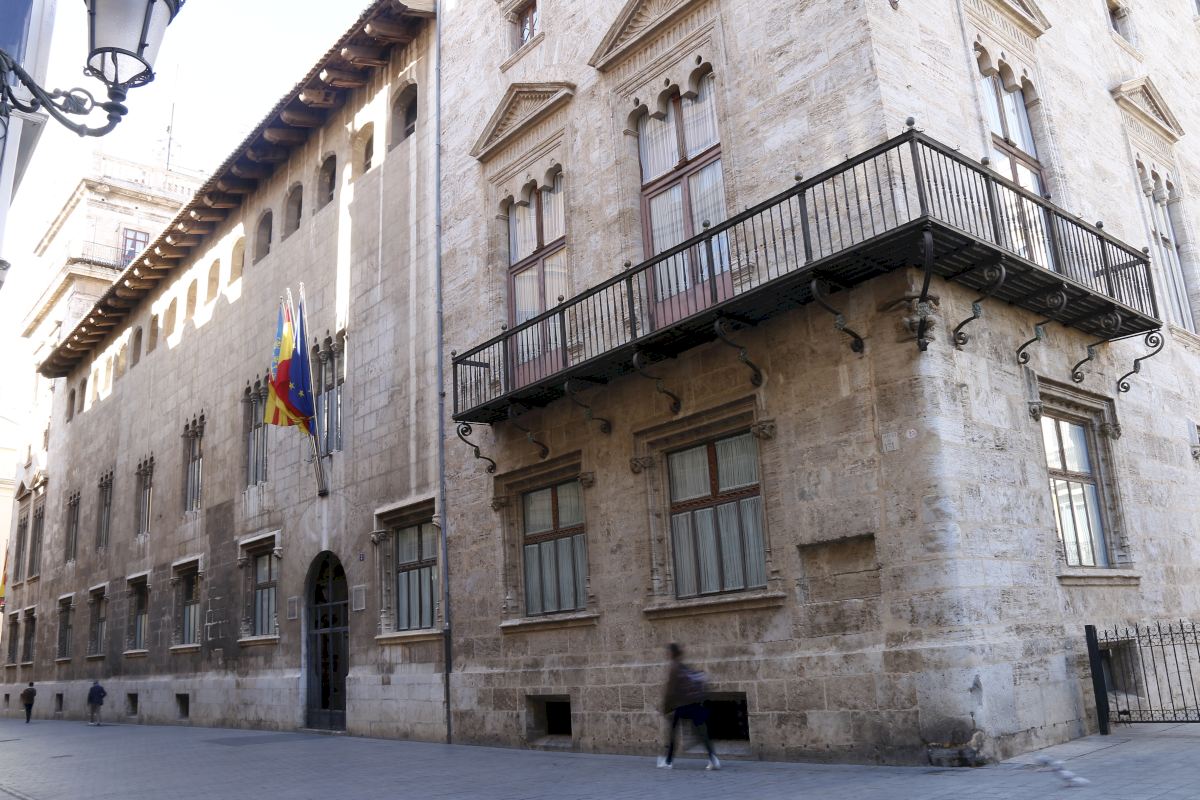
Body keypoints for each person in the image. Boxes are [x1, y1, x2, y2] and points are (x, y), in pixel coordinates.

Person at [657, 643, 719, 770]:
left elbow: (670, 690)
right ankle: (713, 758)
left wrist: (666, 708)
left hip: (680, 706)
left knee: (673, 733)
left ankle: (668, 762)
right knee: (701, 732)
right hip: (694, 703)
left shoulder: (674, 668)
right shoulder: (683, 667)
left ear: (671, 654)